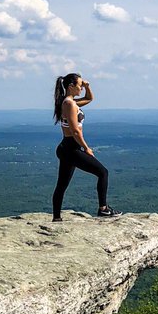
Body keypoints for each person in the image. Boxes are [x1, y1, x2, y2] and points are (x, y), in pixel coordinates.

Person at [51, 72, 121, 222]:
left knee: (62, 185)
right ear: (71, 86)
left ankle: (56, 218)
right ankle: (103, 209)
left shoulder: (70, 102)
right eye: (80, 85)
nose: (81, 88)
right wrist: (86, 148)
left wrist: (88, 86)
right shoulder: (69, 104)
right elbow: (75, 130)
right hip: (71, 148)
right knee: (103, 172)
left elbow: (90, 98)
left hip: (66, 148)